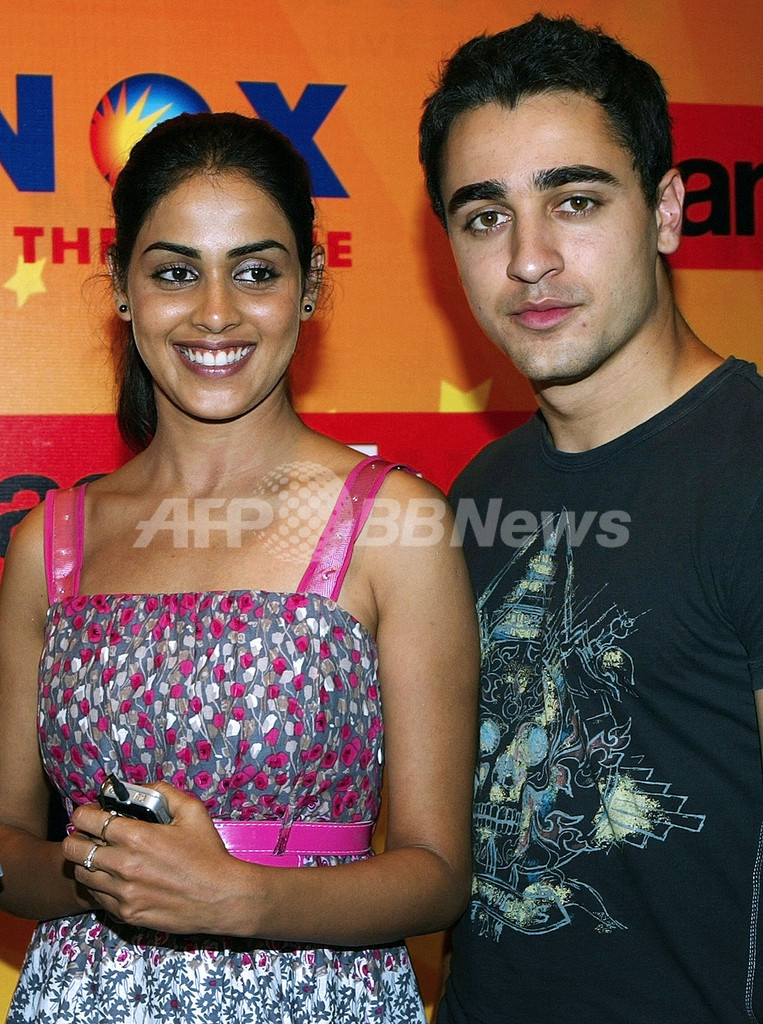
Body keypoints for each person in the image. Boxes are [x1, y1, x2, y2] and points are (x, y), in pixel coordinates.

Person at [0, 111, 479, 1023]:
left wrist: (236, 898)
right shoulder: (49, 545)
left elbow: (437, 873)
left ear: (310, 285)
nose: (216, 312)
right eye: (175, 272)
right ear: (121, 286)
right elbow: (9, 844)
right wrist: (115, 876)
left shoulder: (393, 524)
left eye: (255, 271)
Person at [419, 13, 763, 1023]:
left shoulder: (749, 466)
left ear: (665, 211)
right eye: (484, 216)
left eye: (574, 201)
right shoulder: (478, 494)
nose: (528, 259)